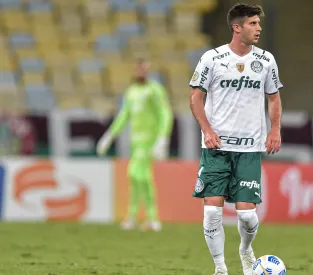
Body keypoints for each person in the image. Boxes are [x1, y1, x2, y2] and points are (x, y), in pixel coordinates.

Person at [189, 3, 283, 275]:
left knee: (247, 216)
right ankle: (220, 268)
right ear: (237, 27)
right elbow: (196, 96)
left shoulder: (266, 61)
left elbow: (274, 97)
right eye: (253, 23)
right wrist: (207, 130)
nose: (259, 28)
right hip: (216, 148)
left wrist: (275, 129)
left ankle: (245, 249)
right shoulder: (212, 59)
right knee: (211, 213)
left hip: (250, 148)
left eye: (259, 23)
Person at [96, 58, 174, 232]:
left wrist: (162, 138)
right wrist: (109, 136)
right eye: (138, 69)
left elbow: (165, 113)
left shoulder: (154, 90)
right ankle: (147, 218)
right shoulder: (131, 92)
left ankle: (142, 217)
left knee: (137, 175)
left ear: (148, 70)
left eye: (144, 69)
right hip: (136, 142)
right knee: (138, 177)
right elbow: (124, 115)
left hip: (149, 141)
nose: (140, 72)